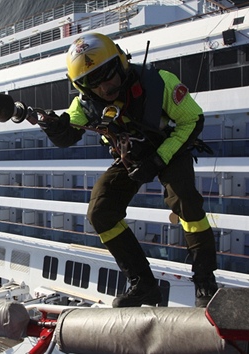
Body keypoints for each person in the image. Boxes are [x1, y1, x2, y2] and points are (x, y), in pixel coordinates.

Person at [37, 33, 218, 308]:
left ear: (121, 63)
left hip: (169, 146)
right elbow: (69, 132)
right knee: (100, 211)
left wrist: (159, 159)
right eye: (91, 83)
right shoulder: (85, 103)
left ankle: (205, 279)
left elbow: (192, 120)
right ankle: (143, 284)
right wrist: (56, 127)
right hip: (129, 155)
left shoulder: (159, 83)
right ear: (81, 87)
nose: (103, 88)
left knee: (184, 200)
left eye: (107, 74)